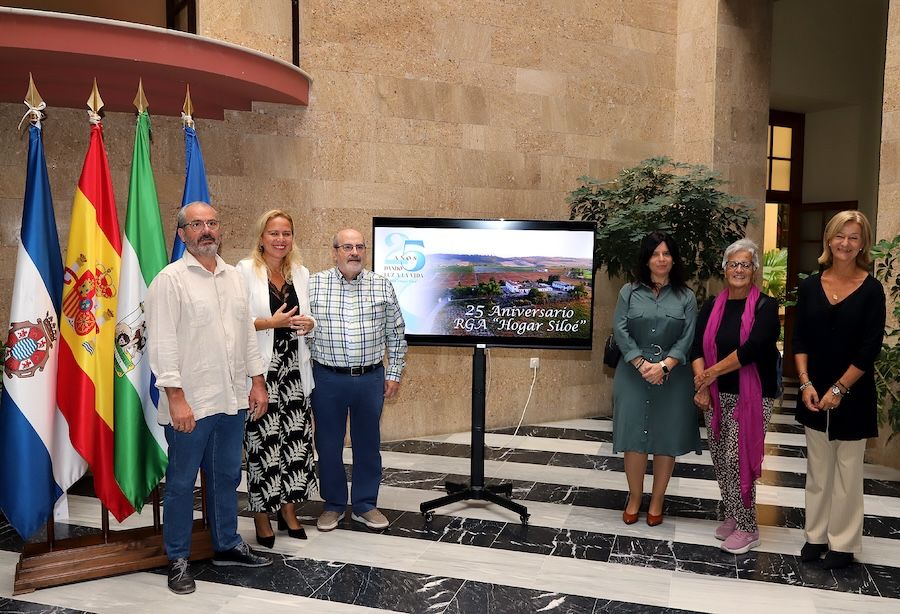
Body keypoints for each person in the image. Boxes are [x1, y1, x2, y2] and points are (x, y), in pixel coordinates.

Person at [146, 202, 272, 595]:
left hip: (233, 399)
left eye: (212, 223)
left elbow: (247, 335)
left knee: (226, 476)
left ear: (221, 229)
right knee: (182, 482)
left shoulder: (234, 277)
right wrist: (176, 398)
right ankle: (179, 557)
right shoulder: (170, 281)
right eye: (197, 224)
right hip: (192, 403)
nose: (206, 230)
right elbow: (162, 344)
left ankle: (226, 544)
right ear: (182, 233)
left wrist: (257, 381)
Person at [793, 210, 885, 570]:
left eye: (854, 238)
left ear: (862, 244)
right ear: (829, 240)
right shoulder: (810, 286)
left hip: (854, 391)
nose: (846, 244)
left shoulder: (872, 288)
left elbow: (869, 348)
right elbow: (799, 339)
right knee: (818, 469)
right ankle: (815, 536)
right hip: (813, 392)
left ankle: (843, 543)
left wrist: (840, 388)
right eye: (840, 236)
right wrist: (805, 383)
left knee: (848, 471)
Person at [308, 228, 408, 533]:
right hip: (327, 378)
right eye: (347, 247)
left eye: (360, 247)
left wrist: (393, 373)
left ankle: (365, 504)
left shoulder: (381, 284)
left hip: (369, 378)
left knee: (368, 444)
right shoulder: (313, 285)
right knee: (327, 444)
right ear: (335, 251)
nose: (354, 252)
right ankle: (334, 505)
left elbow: (396, 333)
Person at [691, 239, 781, 555]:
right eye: (733, 264)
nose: (739, 270)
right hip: (716, 394)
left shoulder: (766, 307)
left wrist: (710, 373)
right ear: (725, 269)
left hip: (753, 395)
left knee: (737, 458)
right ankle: (733, 512)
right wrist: (702, 386)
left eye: (745, 264)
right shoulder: (712, 305)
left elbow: (752, 349)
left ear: (754, 270)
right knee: (720, 458)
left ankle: (748, 526)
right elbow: (696, 348)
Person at [237, 210, 317, 547]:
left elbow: (307, 316)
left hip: (295, 372)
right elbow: (236, 321)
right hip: (261, 373)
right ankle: (261, 516)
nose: (280, 239)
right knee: (263, 447)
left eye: (286, 233)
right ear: (261, 237)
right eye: (273, 233)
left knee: (295, 446)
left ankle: (287, 511)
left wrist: (309, 323)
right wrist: (271, 323)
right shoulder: (243, 271)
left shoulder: (301, 272)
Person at [612, 231, 700, 526]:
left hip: (673, 375)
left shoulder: (686, 296)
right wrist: (641, 364)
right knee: (633, 437)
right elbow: (620, 329)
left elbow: (688, 337)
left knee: (665, 437)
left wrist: (664, 366)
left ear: (673, 259)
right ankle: (635, 496)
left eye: (666, 253)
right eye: (655, 254)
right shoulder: (629, 292)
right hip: (632, 373)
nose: (661, 259)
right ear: (646, 259)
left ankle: (658, 499)